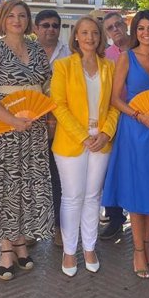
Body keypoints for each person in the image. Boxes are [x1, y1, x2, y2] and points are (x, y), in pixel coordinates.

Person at [0, 0, 54, 281]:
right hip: (4, 130)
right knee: (5, 187)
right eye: (12, 16)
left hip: (33, 129)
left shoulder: (36, 50)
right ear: (3, 20)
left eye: (22, 15)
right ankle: (6, 248)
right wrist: (11, 119)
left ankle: (20, 241)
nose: (17, 20)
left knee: (25, 186)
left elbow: (46, 86)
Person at [102, 10, 149, 279]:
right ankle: (136, 252)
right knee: (137, 192)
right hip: (135, 132)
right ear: (135, 31)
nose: (146, 32)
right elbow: (114, 99)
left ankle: (147, 247)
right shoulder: (126, 58)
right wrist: (139, 115)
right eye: (141, 28)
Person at [50, 16, 119, 276]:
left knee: (93, 197)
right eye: (84, 33)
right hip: (71, 142)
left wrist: (105, 132)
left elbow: (114, 105)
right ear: (76, 37)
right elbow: (58, 105)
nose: (90, 38)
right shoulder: (63, 66)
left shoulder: (109, 67)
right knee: (71, 197)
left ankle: (89, 248)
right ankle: (69, 251)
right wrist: (83, 135)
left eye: (95, 33)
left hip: (101, 142)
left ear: (101, 38)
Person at [34, 9, 71, 248]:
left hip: (60, 126)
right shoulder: (24, 53)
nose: (51, 30)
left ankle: (59, 227)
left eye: (55, 26)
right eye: (45, 25)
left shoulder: (69, 55)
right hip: (29, 126)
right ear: (36, 28)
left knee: (59, 180)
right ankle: (30, 230)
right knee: (31, 180)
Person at [99, 12, 132, 240]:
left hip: (141, 118)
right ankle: (115, 217)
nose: (116, 29)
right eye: (110, 28)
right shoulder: (106, 56)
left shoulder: (141, 48)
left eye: (118, 24)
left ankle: (145, 218)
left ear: (126, 25)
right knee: (111, 169)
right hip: (115, 118)